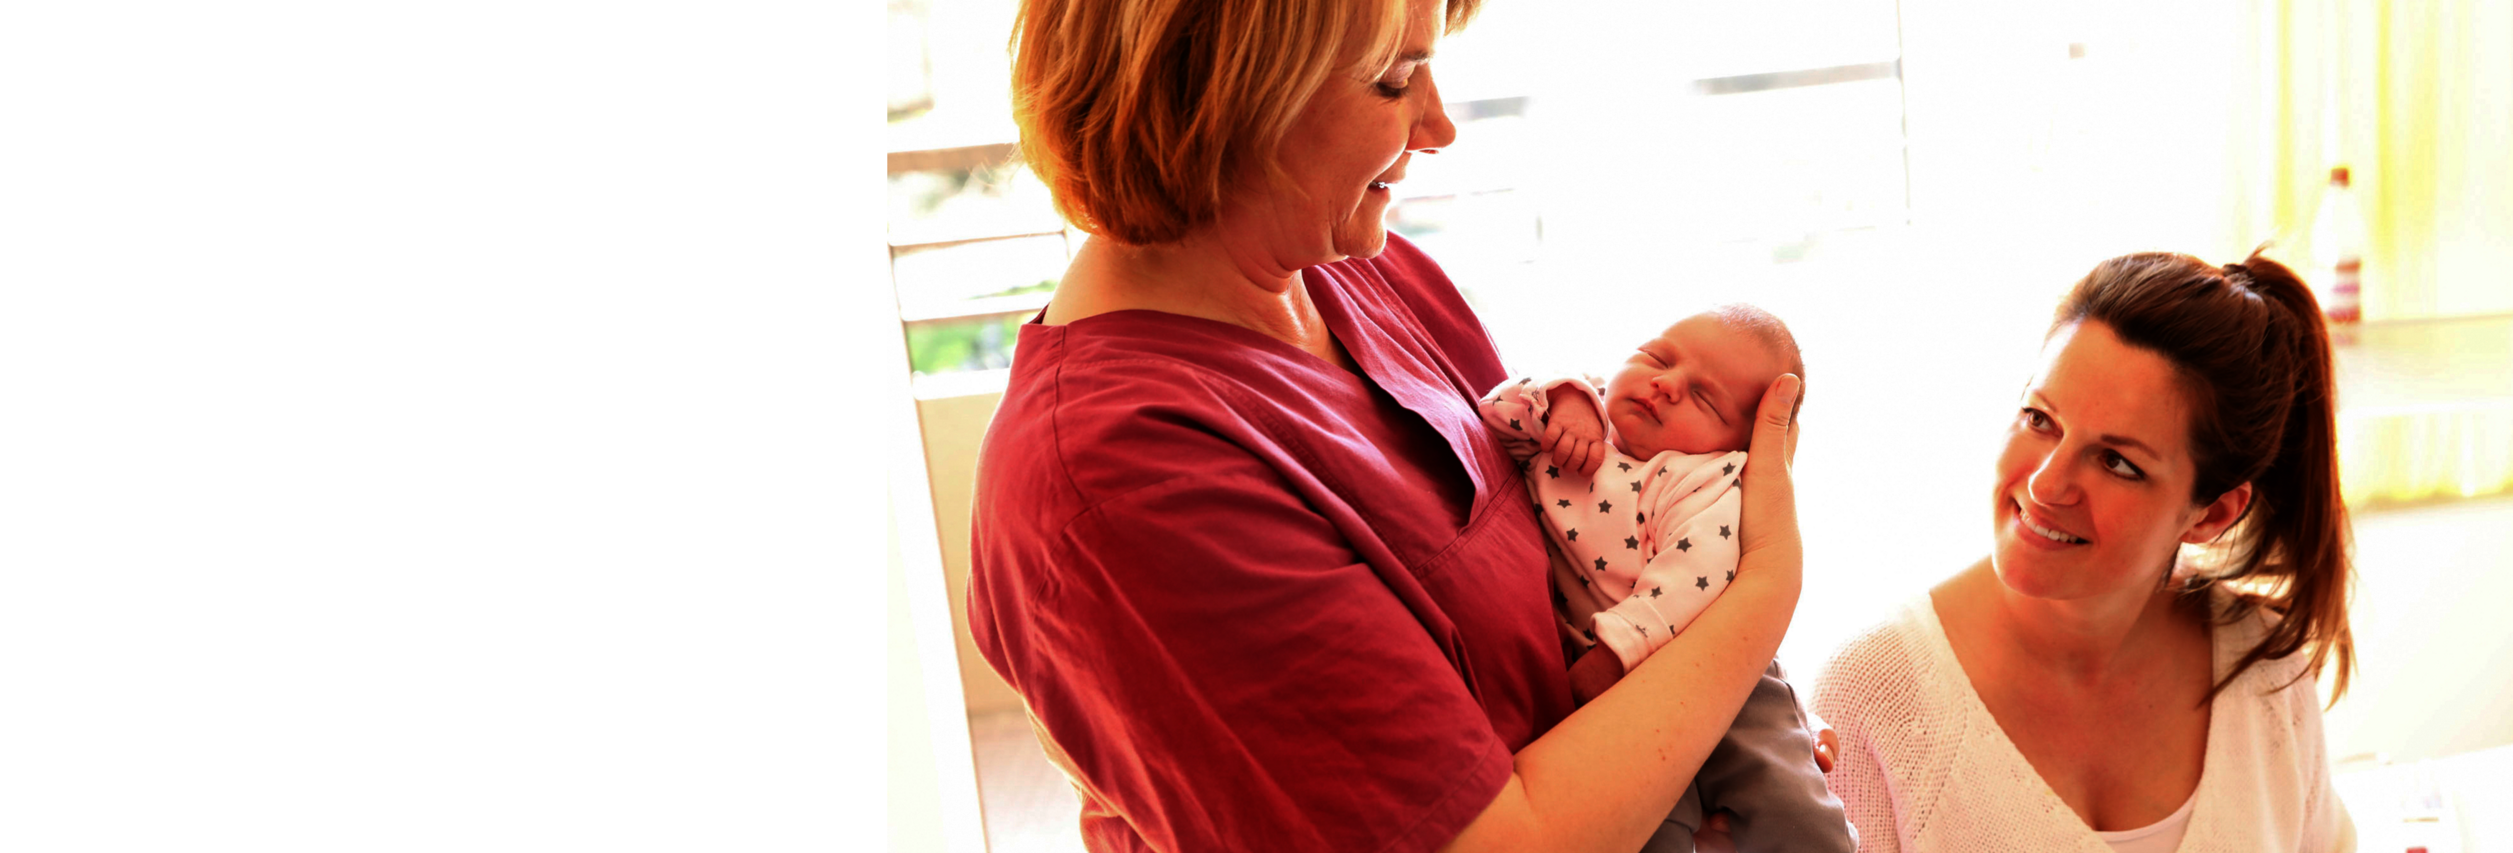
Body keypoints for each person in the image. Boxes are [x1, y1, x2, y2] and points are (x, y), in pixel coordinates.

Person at [962, 0, 1808, 850]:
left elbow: (1561, 564)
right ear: (1223, 95)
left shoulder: (1356, 266)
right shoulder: (1126, 480)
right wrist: (1765, 589)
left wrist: (1723, 742)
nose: (1439, 127)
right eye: (1395, 79)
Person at [1810, 251, 2358, 852]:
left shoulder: (2268, 675)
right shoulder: (1875, 692)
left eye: (2117, 461)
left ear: (2212, 514)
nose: (2046, 484)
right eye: (2039, 418)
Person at [1482, 304, 1853, 853]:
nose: (1666, 384)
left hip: (1721, 667)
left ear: (1741, 442)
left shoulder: (1708, 477)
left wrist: (1614, 655)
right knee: (1644, 823)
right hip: (1605, 688)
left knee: (1788, 800)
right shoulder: (1579, 418)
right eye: (1656, 356)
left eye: (1703, 397)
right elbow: (1490, 413)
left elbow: (1692, 575)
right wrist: (1563, 399)